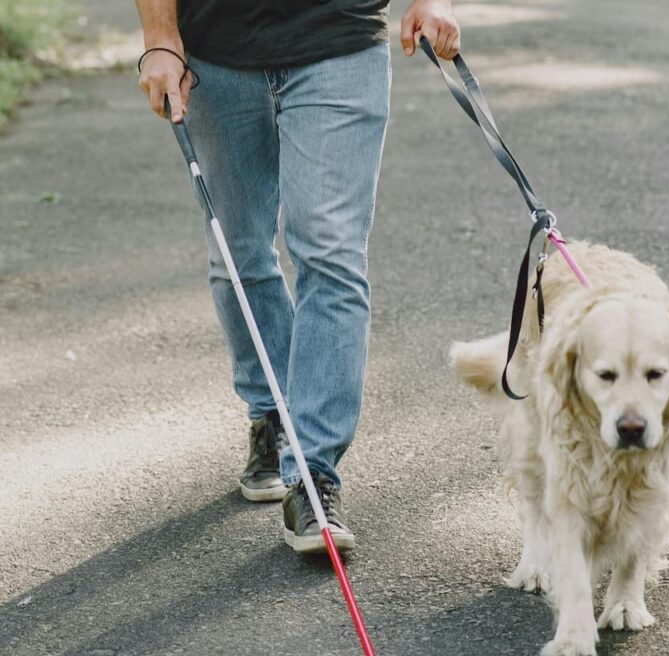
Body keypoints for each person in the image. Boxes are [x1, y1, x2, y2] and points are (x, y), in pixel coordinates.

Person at [134, 0, 461, 554]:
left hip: (339, 41)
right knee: (238, 255)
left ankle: (313, 475)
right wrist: (160, 38)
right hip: (217, 54)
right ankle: (272, 410)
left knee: (331, 252)